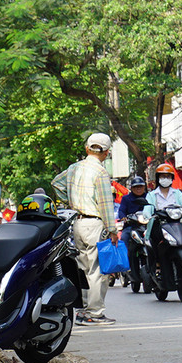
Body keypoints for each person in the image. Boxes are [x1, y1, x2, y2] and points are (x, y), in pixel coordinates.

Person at [69, 132, 119, 326]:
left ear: (87, 148)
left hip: (78, 223)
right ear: (106, 152)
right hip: (95, 224)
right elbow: (106, 204)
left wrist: (71, 200)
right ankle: (94, 313)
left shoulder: (74, 168)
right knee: (98, 271)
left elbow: (56, 183)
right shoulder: (100, 172)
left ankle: (83, 311)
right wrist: (112, 230)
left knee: (83, 269)